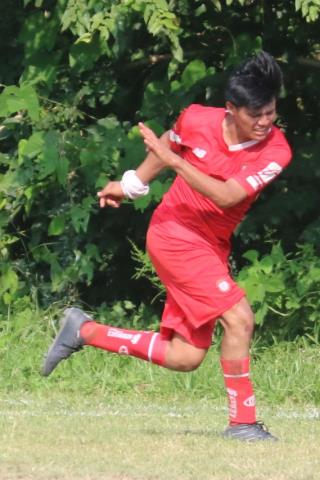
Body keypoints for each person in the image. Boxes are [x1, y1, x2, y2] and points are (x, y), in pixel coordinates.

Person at [41, 51, 292, 442]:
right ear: (230, 109)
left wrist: (175, 164)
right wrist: (130, 186)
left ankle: (86, 331)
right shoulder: (196, 119)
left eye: (270, 113)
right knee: (240, 319)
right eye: (254, 114)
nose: (264, 123)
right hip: (174, 235)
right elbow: (167, 145)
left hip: (211, 245)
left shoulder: (277, 150)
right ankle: (243, 423)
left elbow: (226, 196)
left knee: (185, 357)